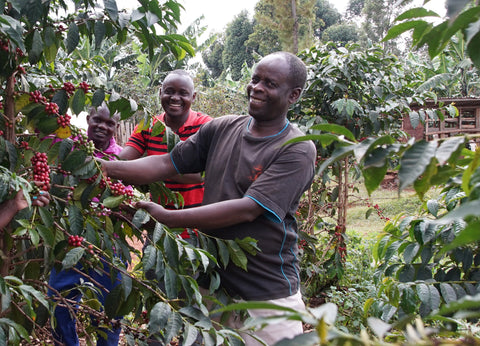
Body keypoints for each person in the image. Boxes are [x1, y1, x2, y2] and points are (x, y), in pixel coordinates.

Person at [99, 52, 317, 345]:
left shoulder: (297, 148)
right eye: (255, 79)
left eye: (270, 83)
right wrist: (104, 167)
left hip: (267, 295)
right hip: (212, 284)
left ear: (293, 95)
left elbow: (248, 209)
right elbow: (166, 164)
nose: (257, 88)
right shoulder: (222, 128)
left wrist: (165, 217)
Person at [48, 103, 124, 346]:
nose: (102, 126)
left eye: (109, 123)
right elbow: (45, 135)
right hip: (71, 239)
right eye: (97, 121)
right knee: (59, 302)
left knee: (110, 310)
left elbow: (127, 195)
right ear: (88, 119)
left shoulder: (122, 158)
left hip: (107, 245)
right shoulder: (70, 148)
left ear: (117, 127)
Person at [118, 69, 211, 239]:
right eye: (169, 91)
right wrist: (94, 162)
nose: (175, 98)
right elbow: (123, 159)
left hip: (196, 230)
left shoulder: (204, 126)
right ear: (161, 93)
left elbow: (202, 175)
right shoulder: (149, 125)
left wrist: (151, 170)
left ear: (194, 96)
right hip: (159, 228)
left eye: (183, 93)